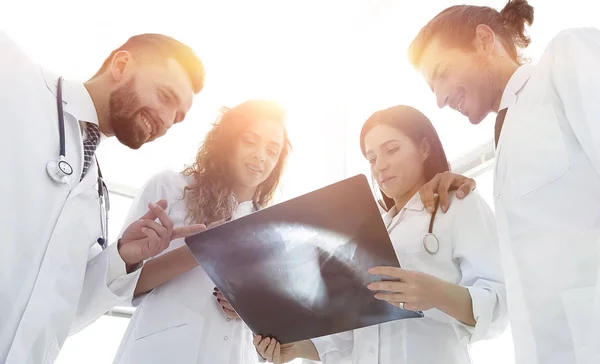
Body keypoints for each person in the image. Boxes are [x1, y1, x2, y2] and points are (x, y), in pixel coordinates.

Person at [407, 1, 600, 363]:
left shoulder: (565, 58)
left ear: (483, 41)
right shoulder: (510, 138)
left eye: (444, 72)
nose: (441, 99)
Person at [0, 32, 206, 363]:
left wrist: (123, 255)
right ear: (122, 65)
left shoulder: (95, 194)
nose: (168, 122)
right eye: (166, 97)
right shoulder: (13, 75)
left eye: (178, 117)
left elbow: (65, 309)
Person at [253, 105, 507, 364]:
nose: (380, 166)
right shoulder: (370, 231)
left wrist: (437, 293)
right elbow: (354, 336)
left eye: (392, 150)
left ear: (424, 148)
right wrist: (296, 349)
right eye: (372, 158)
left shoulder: (458, 204)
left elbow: (500, 305)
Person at [112, 99, 292, 364]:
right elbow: (121, 284)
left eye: (272, 150)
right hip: (162, 351)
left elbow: (274, 329)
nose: (261, 156)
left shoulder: (273, 227)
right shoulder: (171, 189)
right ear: (229, 141)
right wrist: (202, 249)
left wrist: (251, 311)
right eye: (250, 141)